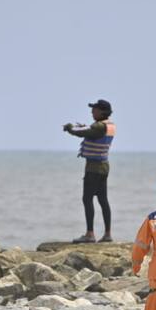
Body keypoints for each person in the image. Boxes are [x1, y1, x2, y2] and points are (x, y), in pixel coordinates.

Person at [63, 99, 115, 243]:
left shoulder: (99, 127)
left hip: (94, 168)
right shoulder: (109, 125)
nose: (92, 112)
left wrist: (70, 128)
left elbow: (86, 133)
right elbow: (91, 130)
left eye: (95, 109)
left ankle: (90, 234)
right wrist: (83, 127)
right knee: (103, 200)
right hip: (104, 166)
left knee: (87, 199)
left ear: (102, 111)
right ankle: (107, 234)